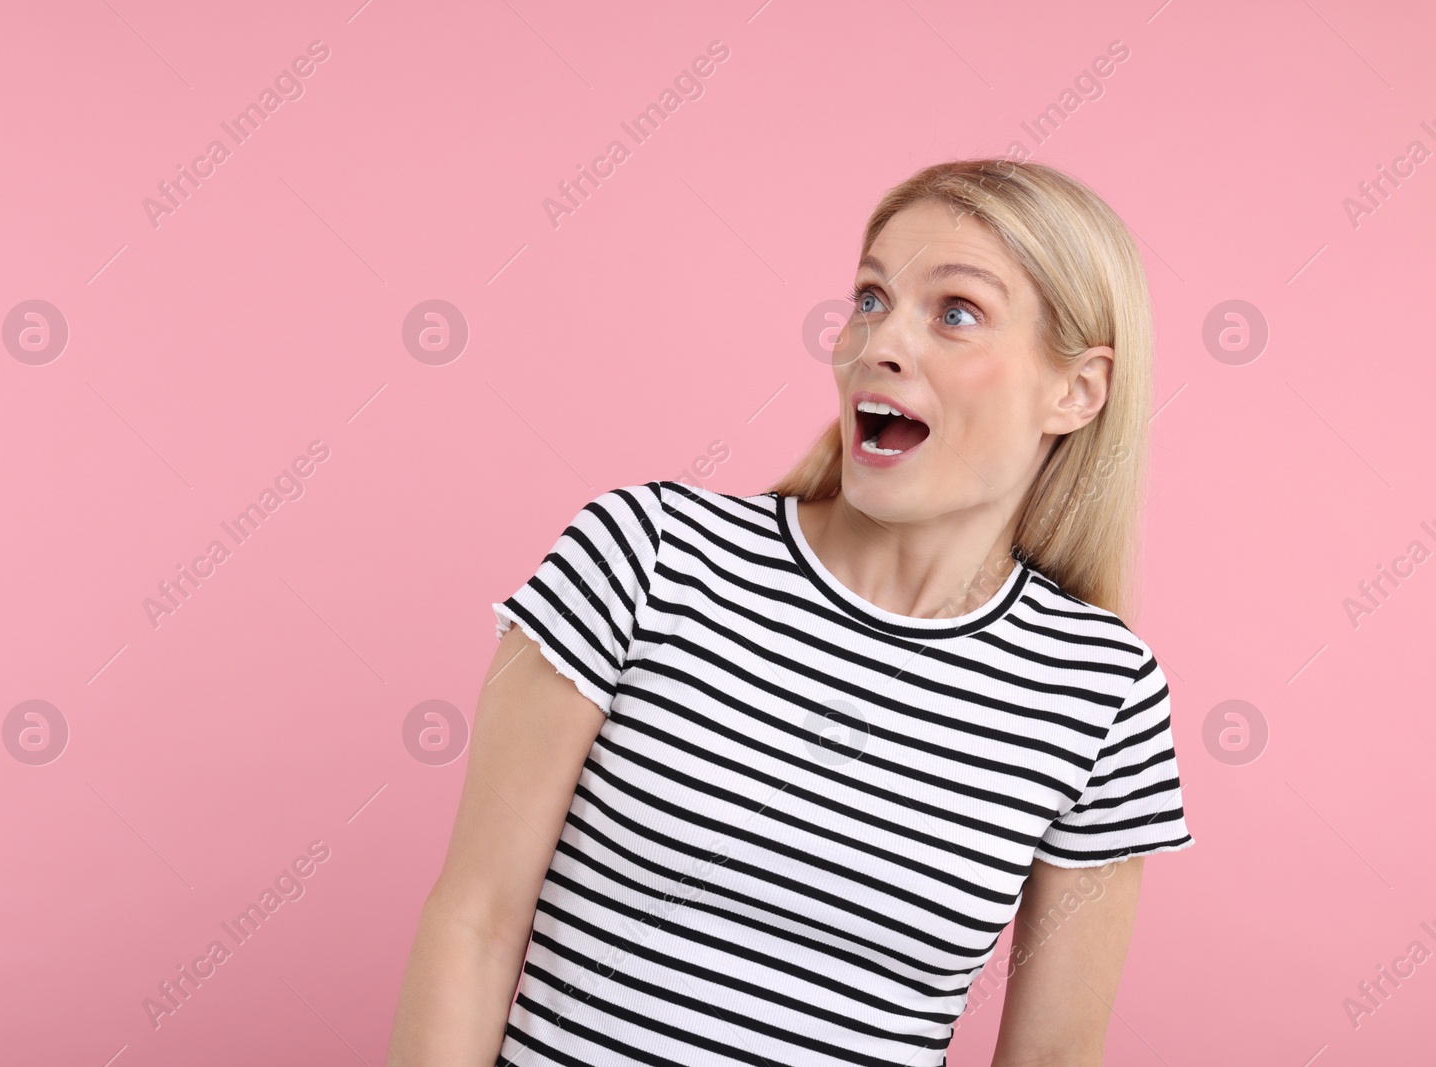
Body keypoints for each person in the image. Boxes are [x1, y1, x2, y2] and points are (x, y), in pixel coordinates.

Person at [386, 158, 1195, 1067]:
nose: (878, 343)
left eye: (956, 312)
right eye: (871, 297)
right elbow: (475, 922)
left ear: (1077, 391)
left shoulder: (1103, 696)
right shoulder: (649, 557)